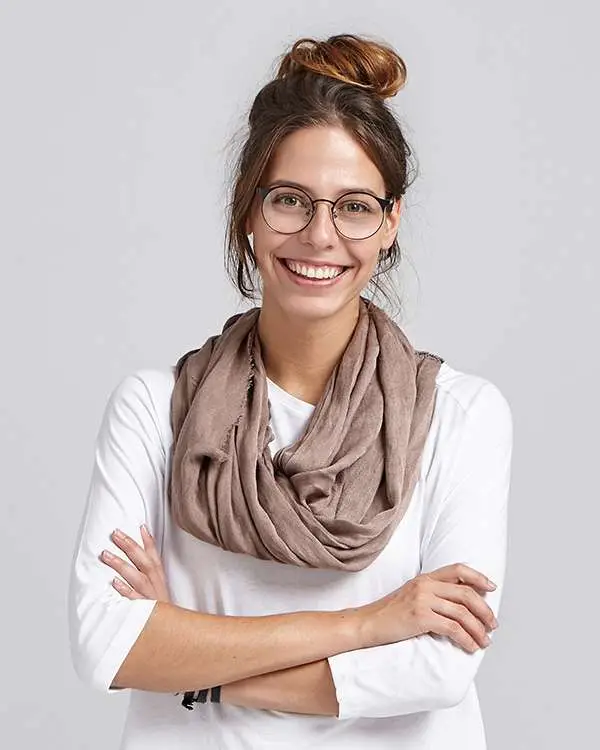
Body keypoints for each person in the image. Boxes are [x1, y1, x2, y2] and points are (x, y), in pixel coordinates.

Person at [68, 33, 513, 750]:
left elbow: (438, 667)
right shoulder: (155, 409)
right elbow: (106, 647)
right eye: (289, 200)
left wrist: (193, 667)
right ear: (249, 210)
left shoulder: (461, 415)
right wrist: (367, 625)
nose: (319, 235)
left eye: (355, 207)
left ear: (390, 224)